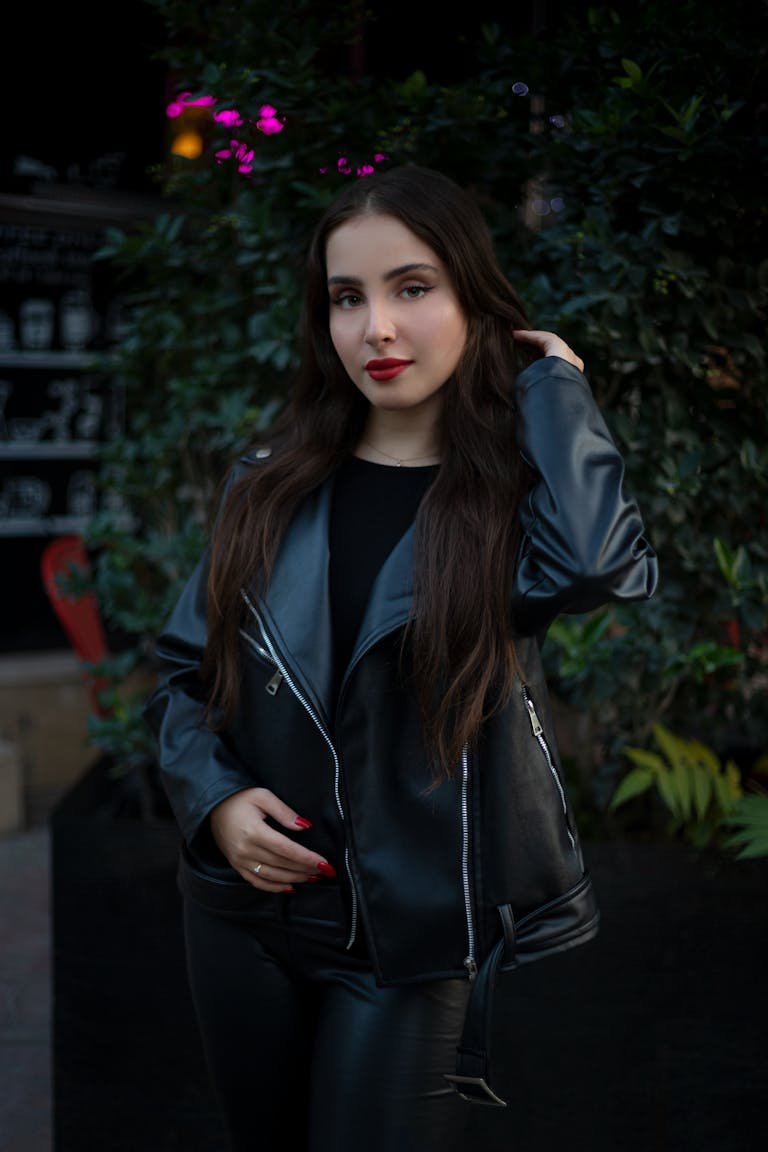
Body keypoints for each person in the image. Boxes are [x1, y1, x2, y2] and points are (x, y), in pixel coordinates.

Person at [143, 163, 658, 1152]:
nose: (375, 327)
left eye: (412, 288)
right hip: (242, 918)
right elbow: (184, 677)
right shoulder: (266, 488)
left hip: (410, 945)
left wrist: (552, 382)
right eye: (348, 297)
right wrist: (215, 800)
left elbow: (600, 563)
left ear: (472, 300)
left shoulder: (504, 510)